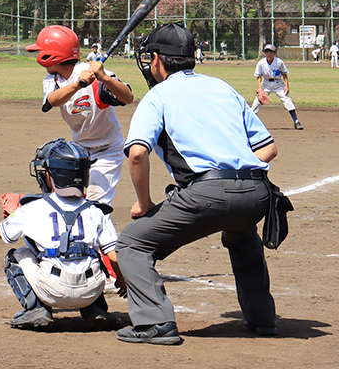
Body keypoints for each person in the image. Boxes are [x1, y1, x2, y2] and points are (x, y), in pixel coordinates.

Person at [116, 23, 277, 345]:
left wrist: (145, 203)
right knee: (241, 235)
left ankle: (155, 324)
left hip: (207, 193)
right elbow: (268, 148)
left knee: (132, 244)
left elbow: (136, 154)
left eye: (150, 57)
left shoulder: (157, 95)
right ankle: (263, 319)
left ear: (159, 60)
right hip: (258, 193)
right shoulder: (222, 87)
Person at [0, 139, 125, 330]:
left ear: (51, 176)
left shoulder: (32, 208)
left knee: (16, 255)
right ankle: (96, 310)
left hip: (51, 290)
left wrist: (13, 216)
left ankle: (36, 309)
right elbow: (114, 255)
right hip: (92, 290)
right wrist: (121, 280)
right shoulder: (97, 210)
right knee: (91, 255)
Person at [25, 25, 134, 206]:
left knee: (95, 204)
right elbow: (52, 100)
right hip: (79, 151)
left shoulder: (96, 73)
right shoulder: (54, 79)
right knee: (66, 200)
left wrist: (105, 78)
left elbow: (128, 97)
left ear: (52, 55)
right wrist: (79, 84)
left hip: (107, 150)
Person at [251, 44, 303, 130]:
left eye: (271, 52)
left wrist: (286, 86)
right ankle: (248, 122)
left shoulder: (279, 62)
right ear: (264, 53)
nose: (269, 54)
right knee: (257, 102)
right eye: (267, 52)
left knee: (287, 100)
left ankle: (296, 121)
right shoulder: (261, 63)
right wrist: (260, 89)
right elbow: (258, 76)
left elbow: (284, 74)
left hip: (278, 84)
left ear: (274, 53)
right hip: (266, 83)